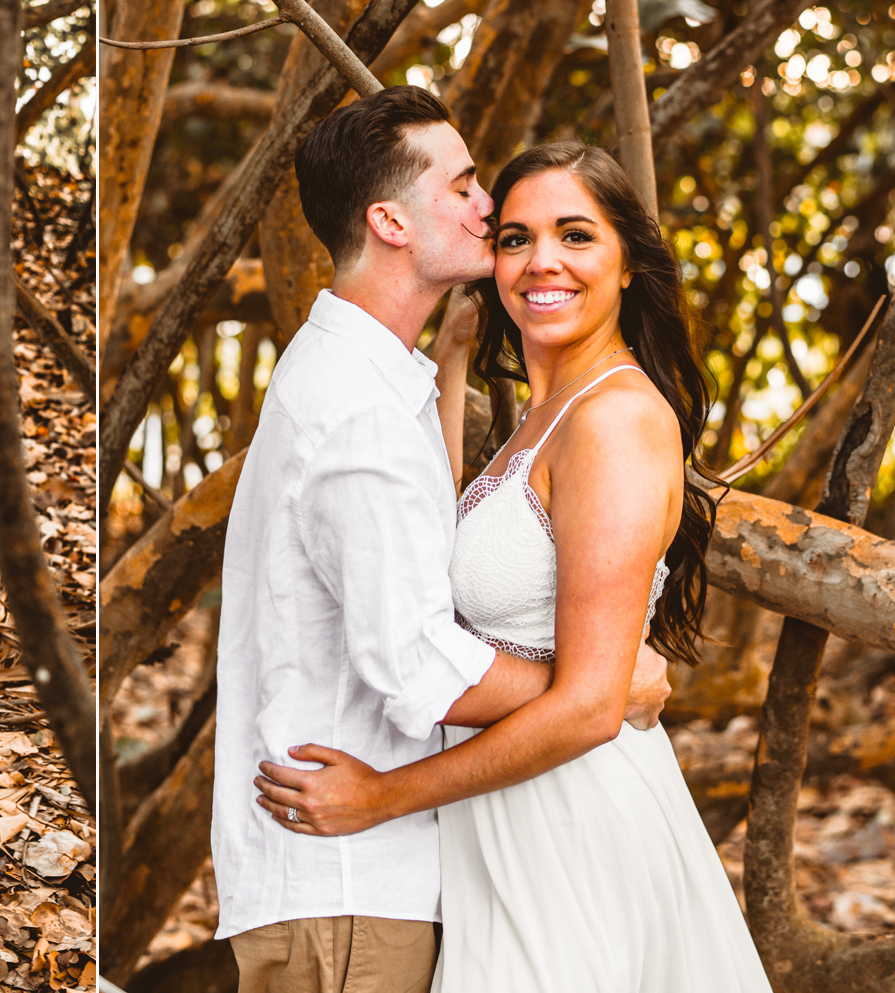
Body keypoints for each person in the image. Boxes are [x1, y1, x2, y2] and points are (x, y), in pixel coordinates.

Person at [253, 142, 770, 990]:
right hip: (497, 817)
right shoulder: (547, 414)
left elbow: (588, 710)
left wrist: (381, 795)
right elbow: (438, 541)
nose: (542, 263)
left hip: (569, 820)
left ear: (628, 262)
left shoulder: (613, 421)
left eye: (575, 236)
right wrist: (453, 356)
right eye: (515, 238)